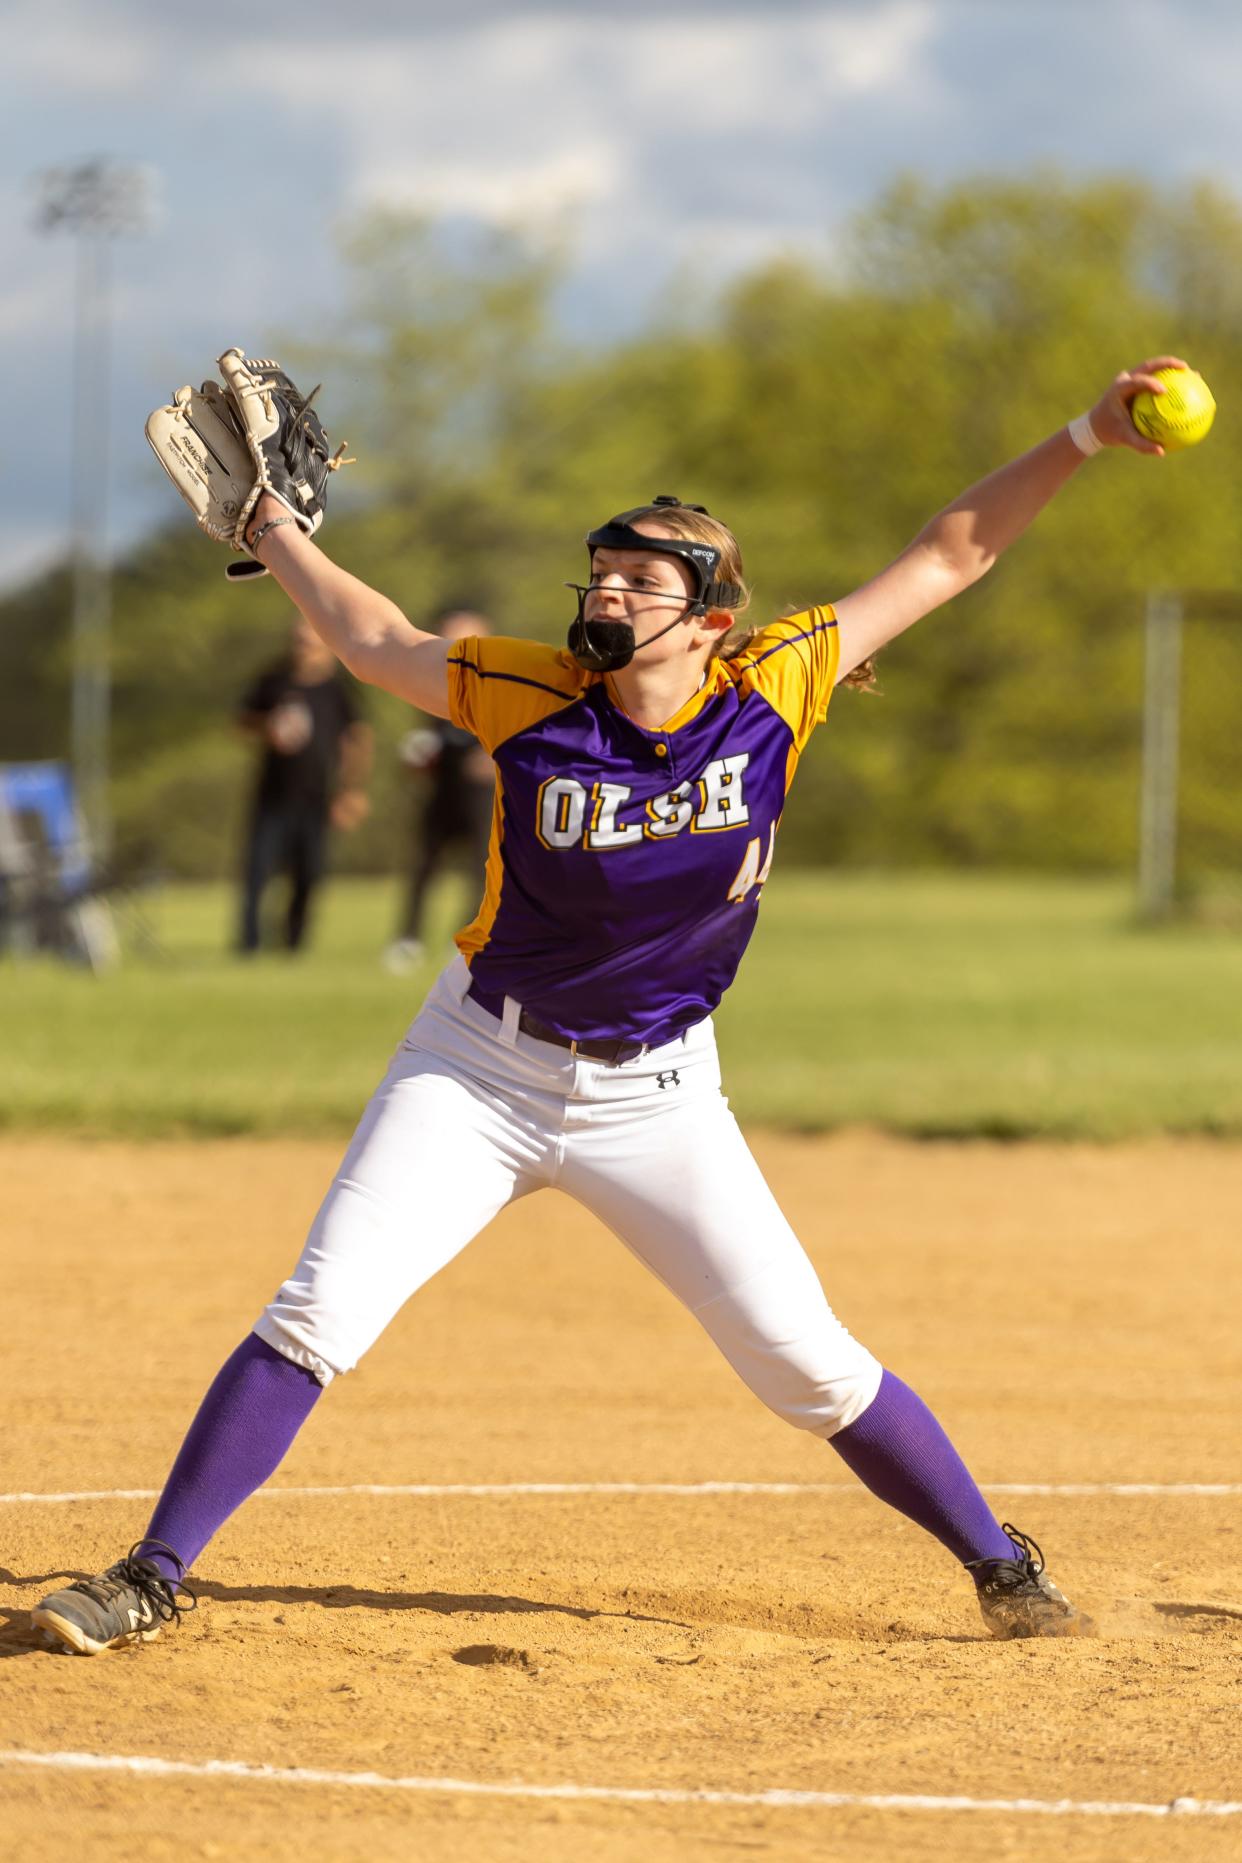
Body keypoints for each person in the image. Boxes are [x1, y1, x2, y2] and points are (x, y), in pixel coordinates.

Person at [33, 356, 1182, 1656]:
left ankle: (997, 1561)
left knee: (803, 1362)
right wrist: (274, 529)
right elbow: (373, 638)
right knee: (318, 1308)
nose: (611, 589)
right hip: (475, 1068)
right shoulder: (530, 695)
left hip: (659, 1095)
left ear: (707, 617)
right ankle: (151, 1570)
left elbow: (950, 552)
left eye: (647, 579)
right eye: (603, 570)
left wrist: (1087, 430)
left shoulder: (772, 688)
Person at [236, 611, 373, 953]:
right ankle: (248, 943)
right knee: (257, 870)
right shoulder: (274, 680)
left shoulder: (339, 688)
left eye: (311, 641)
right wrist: (268, 727)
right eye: (298, 641)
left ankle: (293, 941)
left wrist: (350, 791)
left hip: (317, 798)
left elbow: (357, 739)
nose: (303, 648)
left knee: (309, 873)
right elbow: (241, 720)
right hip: (273, 795)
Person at [385, 607, 496, 974]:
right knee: (423, 866)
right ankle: (407, 939)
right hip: (441, 791)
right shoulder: (437, 683)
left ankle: (467, 939)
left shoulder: (498, 685)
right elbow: (429, 740)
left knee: (481, 869)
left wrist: (490, 758)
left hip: (481, 795)